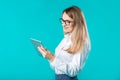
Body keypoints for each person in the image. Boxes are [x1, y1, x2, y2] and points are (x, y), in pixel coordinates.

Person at [37, 6, 91, 80]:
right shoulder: (66, 39)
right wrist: (50, 56)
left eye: (68, 21)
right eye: (62, 20)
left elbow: (74, 71)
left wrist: (53, 58)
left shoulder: (82, 42)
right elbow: (57, 68)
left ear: (77, 22)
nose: (63, 24)